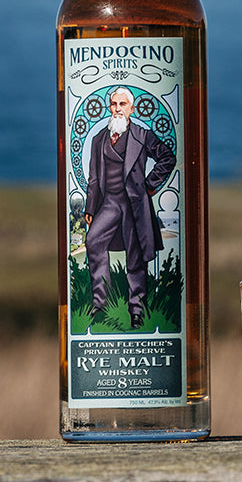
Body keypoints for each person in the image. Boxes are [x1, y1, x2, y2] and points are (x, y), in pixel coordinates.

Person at [83, 87, 176, 328]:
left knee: (135, 257)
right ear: (109, 107)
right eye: (114, 104)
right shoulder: (98, 140)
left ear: (131, 109)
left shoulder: (142, 136)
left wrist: (150, 185)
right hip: (110, 203)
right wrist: (90, 208)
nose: (117, 108)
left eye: (123, 104)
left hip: (135, 204)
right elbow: (94, 178)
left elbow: (168, 157)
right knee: (93, 241)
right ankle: (100, 303)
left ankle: (136, 309)